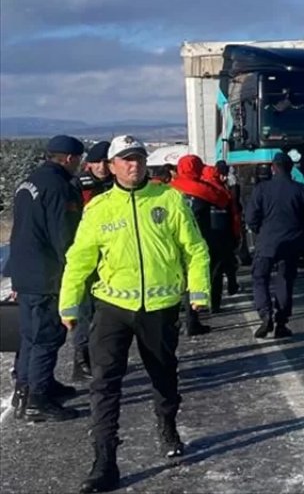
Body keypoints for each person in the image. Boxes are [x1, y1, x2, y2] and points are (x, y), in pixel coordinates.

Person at [59, 134, 211, 492]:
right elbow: (79, 259)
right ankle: (104, 460)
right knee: (105, 384)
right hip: (113, 308)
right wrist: (68, 302)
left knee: (164, 376)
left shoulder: (169, 198)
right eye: (126, 159)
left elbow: (195, 249)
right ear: (111, 167)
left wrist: (199, 290)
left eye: (139, 158)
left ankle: (167, 423)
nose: (134, 164)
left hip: (158, 309)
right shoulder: (99, 208)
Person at [4, 135, 85, 421]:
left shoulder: (30, 182)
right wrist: (76, 270)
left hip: (24, 269)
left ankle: (29, 388)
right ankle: (37, 398)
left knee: (30, 335)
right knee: (46, 336)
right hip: (45, 273)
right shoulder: (59, 188)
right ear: (69, 159)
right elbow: (64, 234)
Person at [245, 153, 304, 338]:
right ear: (291, 168)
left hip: (266, 243)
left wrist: (261, 231)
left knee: (260, 279)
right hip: (291, 243)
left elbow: (251, 217)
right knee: (285, 281)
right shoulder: (301, 190)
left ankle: (265, 314)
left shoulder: (261, 189)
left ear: (273, 168)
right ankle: (282, 322)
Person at [170, 154, 228, 336]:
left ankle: (173, 320)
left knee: (174, 280)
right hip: (198, 238)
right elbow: (223, 199)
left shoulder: (169, 190)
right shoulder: (203, 190)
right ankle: (192, 320)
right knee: (193, 279)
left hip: (172, 240)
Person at [71, 140, 114, 381]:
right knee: (85, 309)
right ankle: (81, 359)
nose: (102, 167)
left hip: (109, 256)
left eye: (106, 162)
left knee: (104, 312)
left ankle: (98, 355)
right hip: (87, 254)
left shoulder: (114, 185)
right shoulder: (79, 186)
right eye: (98, 162)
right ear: (89, 164)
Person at [201, 164, 241, 312]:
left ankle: (200, 303)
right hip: (223, 235)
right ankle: (215, 303)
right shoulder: (222, 192)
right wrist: (236, 233)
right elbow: (234, 213)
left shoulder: (199, 191)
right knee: (219, 269)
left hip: (204, 235)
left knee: (206, 270)